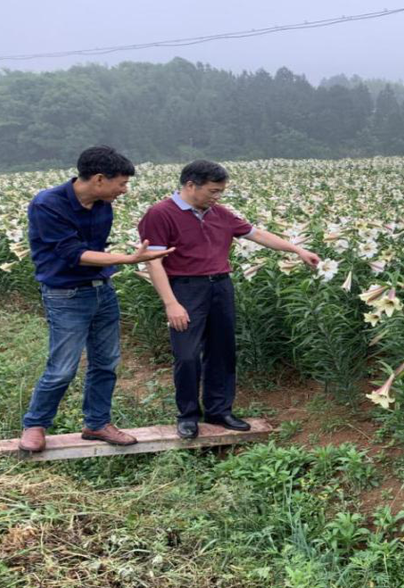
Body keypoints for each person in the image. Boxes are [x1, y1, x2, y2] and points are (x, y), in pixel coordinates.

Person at [138, 160, 320, 439]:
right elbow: (154, 262)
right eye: (213, 190)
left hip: (221, 286)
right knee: (187, 355)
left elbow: (256, 234)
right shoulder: (160, 213)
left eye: (221, 191)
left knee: (222, 351)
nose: (218, 197)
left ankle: (219, 410)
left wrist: (296, 250)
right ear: (190, 185)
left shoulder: (219, 213)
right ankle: (187, 415)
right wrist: (171, 303)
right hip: (185, 289)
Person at [20, 146, 173, 453]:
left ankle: (97, 423)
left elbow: (98, 251)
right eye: (122, 183)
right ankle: (35, 424)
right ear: (100, 179)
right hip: (66, 294)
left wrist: (120, 262)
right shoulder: (47, 204)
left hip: (102, 290)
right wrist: (131, 259)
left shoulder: (103, 205)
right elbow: (73, 254)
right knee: (62, 366)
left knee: (106, 363)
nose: (124, 190)